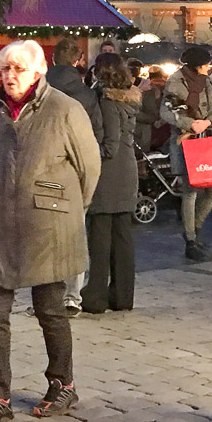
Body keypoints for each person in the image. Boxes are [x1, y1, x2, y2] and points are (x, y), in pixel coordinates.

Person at [0, 40, 100, 422]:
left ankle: (62, 382)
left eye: (19, 69)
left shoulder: (65, 109)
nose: (10, 76)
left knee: (50, 309)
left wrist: (65, 209)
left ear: (38, 70)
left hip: (46, 226)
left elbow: (89, 170)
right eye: (6, 68)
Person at [80, 53, 139, 314]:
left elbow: (110, 145)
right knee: (123, 236)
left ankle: (95, 297)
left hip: (109, 175)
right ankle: (123, 296)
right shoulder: (129, 98)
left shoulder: (107, 101)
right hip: (127, 171)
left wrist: (86, 149)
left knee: (101, 236)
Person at [45, 37, 101, 314]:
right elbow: (96, 138)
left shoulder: (37, 89)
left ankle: (47, 295)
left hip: (41, 169)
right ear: (78, 61)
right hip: (74, 172)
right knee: (76, 235)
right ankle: (72, 295)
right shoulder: (87, 95)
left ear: (53, 59)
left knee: (44, 234)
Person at [162, 46, 212, 261]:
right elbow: (165, 111)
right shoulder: (175, 83)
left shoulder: (206, 83)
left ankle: (194, 228)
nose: (209, 67)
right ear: (197, 66)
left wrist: (208, 122)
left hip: (205, 140)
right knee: (191, 191)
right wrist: (190, 124)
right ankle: (190, 239)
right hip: (185, 142)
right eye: (206, 64)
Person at [137, 66, 169, 153]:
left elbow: (137, 113)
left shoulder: (143, 93)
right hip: (166, 134)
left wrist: (154, 120)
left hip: (149, 136)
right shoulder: (171, 92)